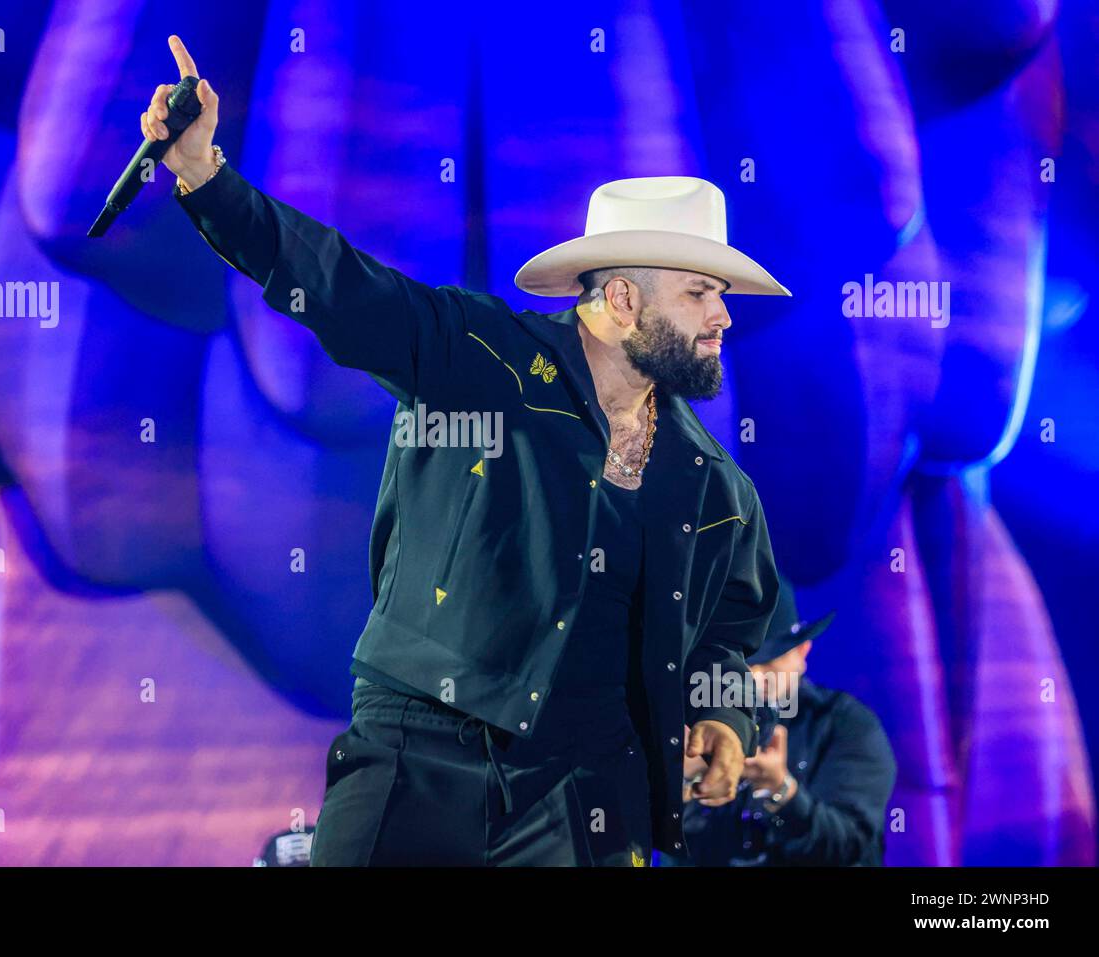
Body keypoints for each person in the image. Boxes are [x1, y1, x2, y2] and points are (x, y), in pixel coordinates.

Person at [143, 36, 787, 865]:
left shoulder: (713, 486)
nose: (722, 316)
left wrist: (722, 720)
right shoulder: (479, 353)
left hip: (581, 799)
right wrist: (206, 178)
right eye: (701, 292)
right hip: (418, 764)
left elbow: (734, 629)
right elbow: (340, 287)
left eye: (722, 295)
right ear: (623, 298)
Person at [671, 575, 897, 866]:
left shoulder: (846, 724)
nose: (750, 679)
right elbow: (667, 840)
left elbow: (851, 847)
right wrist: (683, 778)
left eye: (766, 664)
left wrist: (780, 791)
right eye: (739, 666)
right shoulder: (696, 724)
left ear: (802, 652)